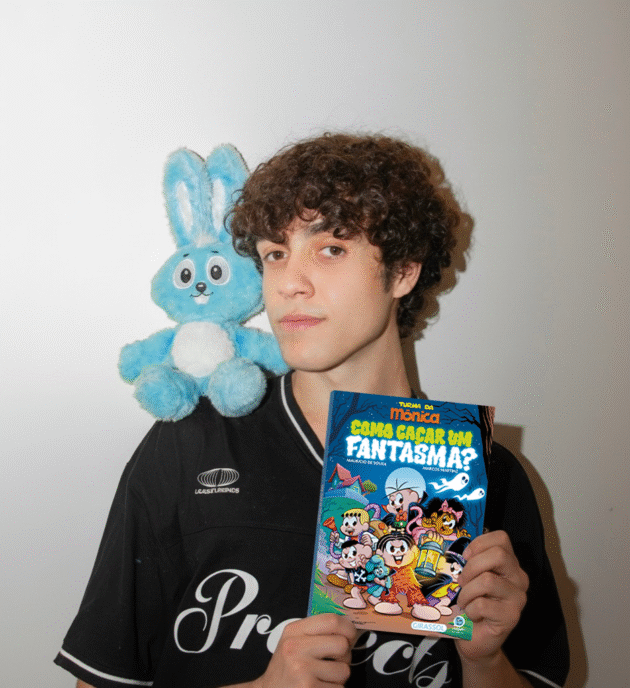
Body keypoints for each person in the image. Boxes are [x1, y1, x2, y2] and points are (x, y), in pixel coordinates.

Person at [55, 133, 569, 688]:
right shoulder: (190, 444)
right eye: (275, 254)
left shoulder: (487, 476)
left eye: (330, 249)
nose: (290, 284)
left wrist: (485, 660)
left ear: (402, 271)